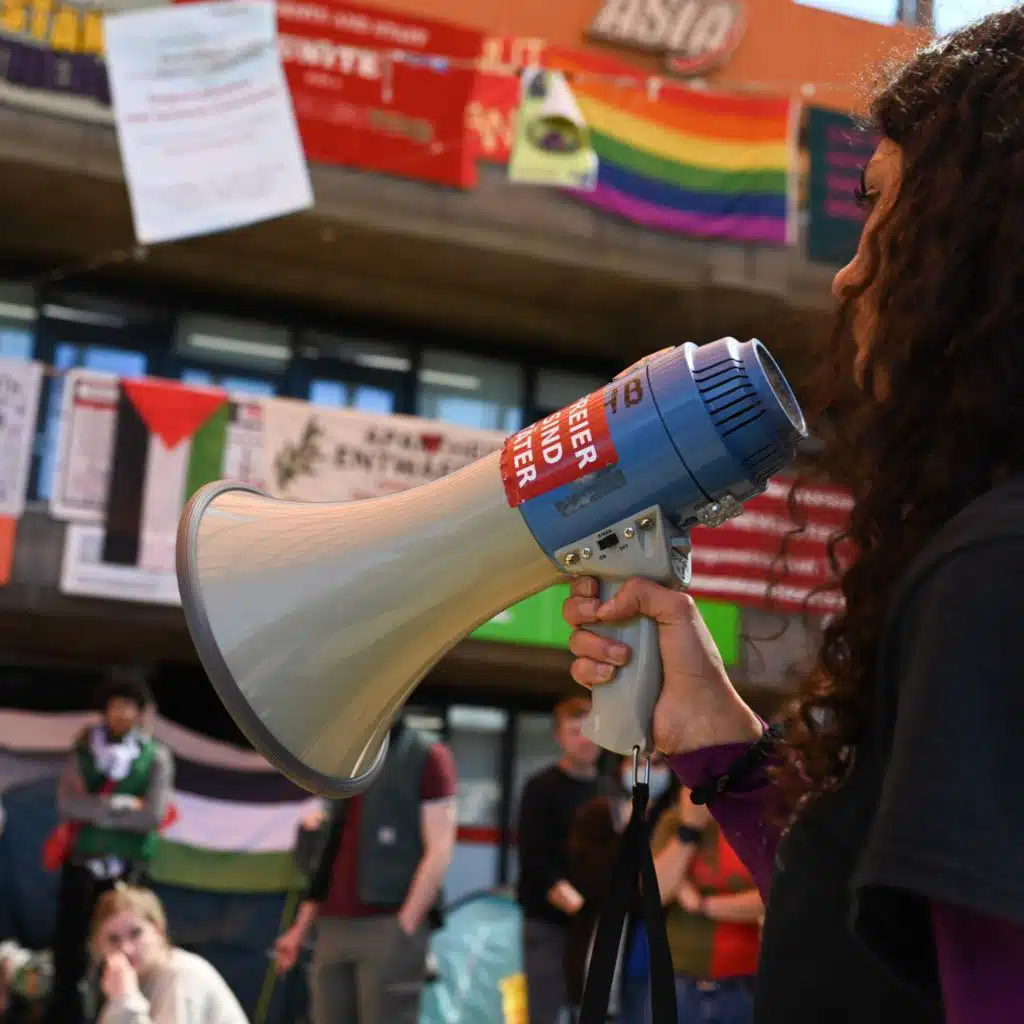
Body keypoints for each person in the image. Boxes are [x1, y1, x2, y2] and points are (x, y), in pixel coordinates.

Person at [562, 12, 1024, 1023]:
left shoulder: (991, 574)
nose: (847, 270)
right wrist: (727, 757)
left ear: (987, 248)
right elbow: (882, 959)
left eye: (881, 210)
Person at [272, 720, 457, 1024]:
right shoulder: (347, 755)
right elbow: (329, 849)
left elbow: (440, 848)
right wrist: (300, 928)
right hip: (332, 925)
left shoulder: (426, 754)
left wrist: (406, 923)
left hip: (387, 921)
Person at [45, 669, 174, 1024]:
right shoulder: (84, 753)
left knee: (124, 951)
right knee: (71, 954)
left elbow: (152, 814)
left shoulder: (156, 757)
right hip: (83, 865)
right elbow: (68, 805)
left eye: (129, 707)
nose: (122, 714)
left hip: (129, 870)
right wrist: (118, 806)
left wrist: (98, 811)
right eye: (116, 706)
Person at [516, 696, 615, 1024]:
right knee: (547, 1012)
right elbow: (535, 860)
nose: (585, 739)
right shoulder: (540, 788)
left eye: (592, 730)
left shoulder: (614, 790)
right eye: (575, 732)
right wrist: (579, 909)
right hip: (550, 922)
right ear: (559, 737)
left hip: (598, 927)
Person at [649, 787, 762, 1024]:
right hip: (679, 977)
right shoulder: (673, 822)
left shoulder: (761, 822)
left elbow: (768, 899)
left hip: (747, 977)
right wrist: (690, 830)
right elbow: (655, 892)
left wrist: (703, 905)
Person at [90, 884, 248, 1024]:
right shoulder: (128, 980)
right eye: (113, 939)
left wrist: (124, 1000)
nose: (126, 948)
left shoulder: (182, 973)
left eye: (136, 933)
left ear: (159, 930)